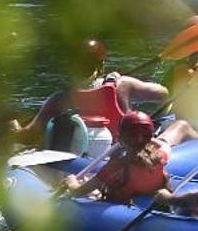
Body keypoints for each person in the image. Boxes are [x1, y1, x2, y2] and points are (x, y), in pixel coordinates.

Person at [12, 40, 172, 151]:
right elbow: (163, 93)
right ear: (102, 66)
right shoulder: (123, 84)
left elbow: (28, 136)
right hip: (119, 151)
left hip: (79, 159)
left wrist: (14, 128)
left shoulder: (59, 99)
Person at [63, 111, 170, 204]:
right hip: (147, 200)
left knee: (95, 190)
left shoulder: (115, 167)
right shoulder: (161, 157)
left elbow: (77, 192)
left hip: (124, 206)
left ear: (121, 138)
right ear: (150, 136)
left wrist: (71, 181)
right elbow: (164, 145)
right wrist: (144, 137)